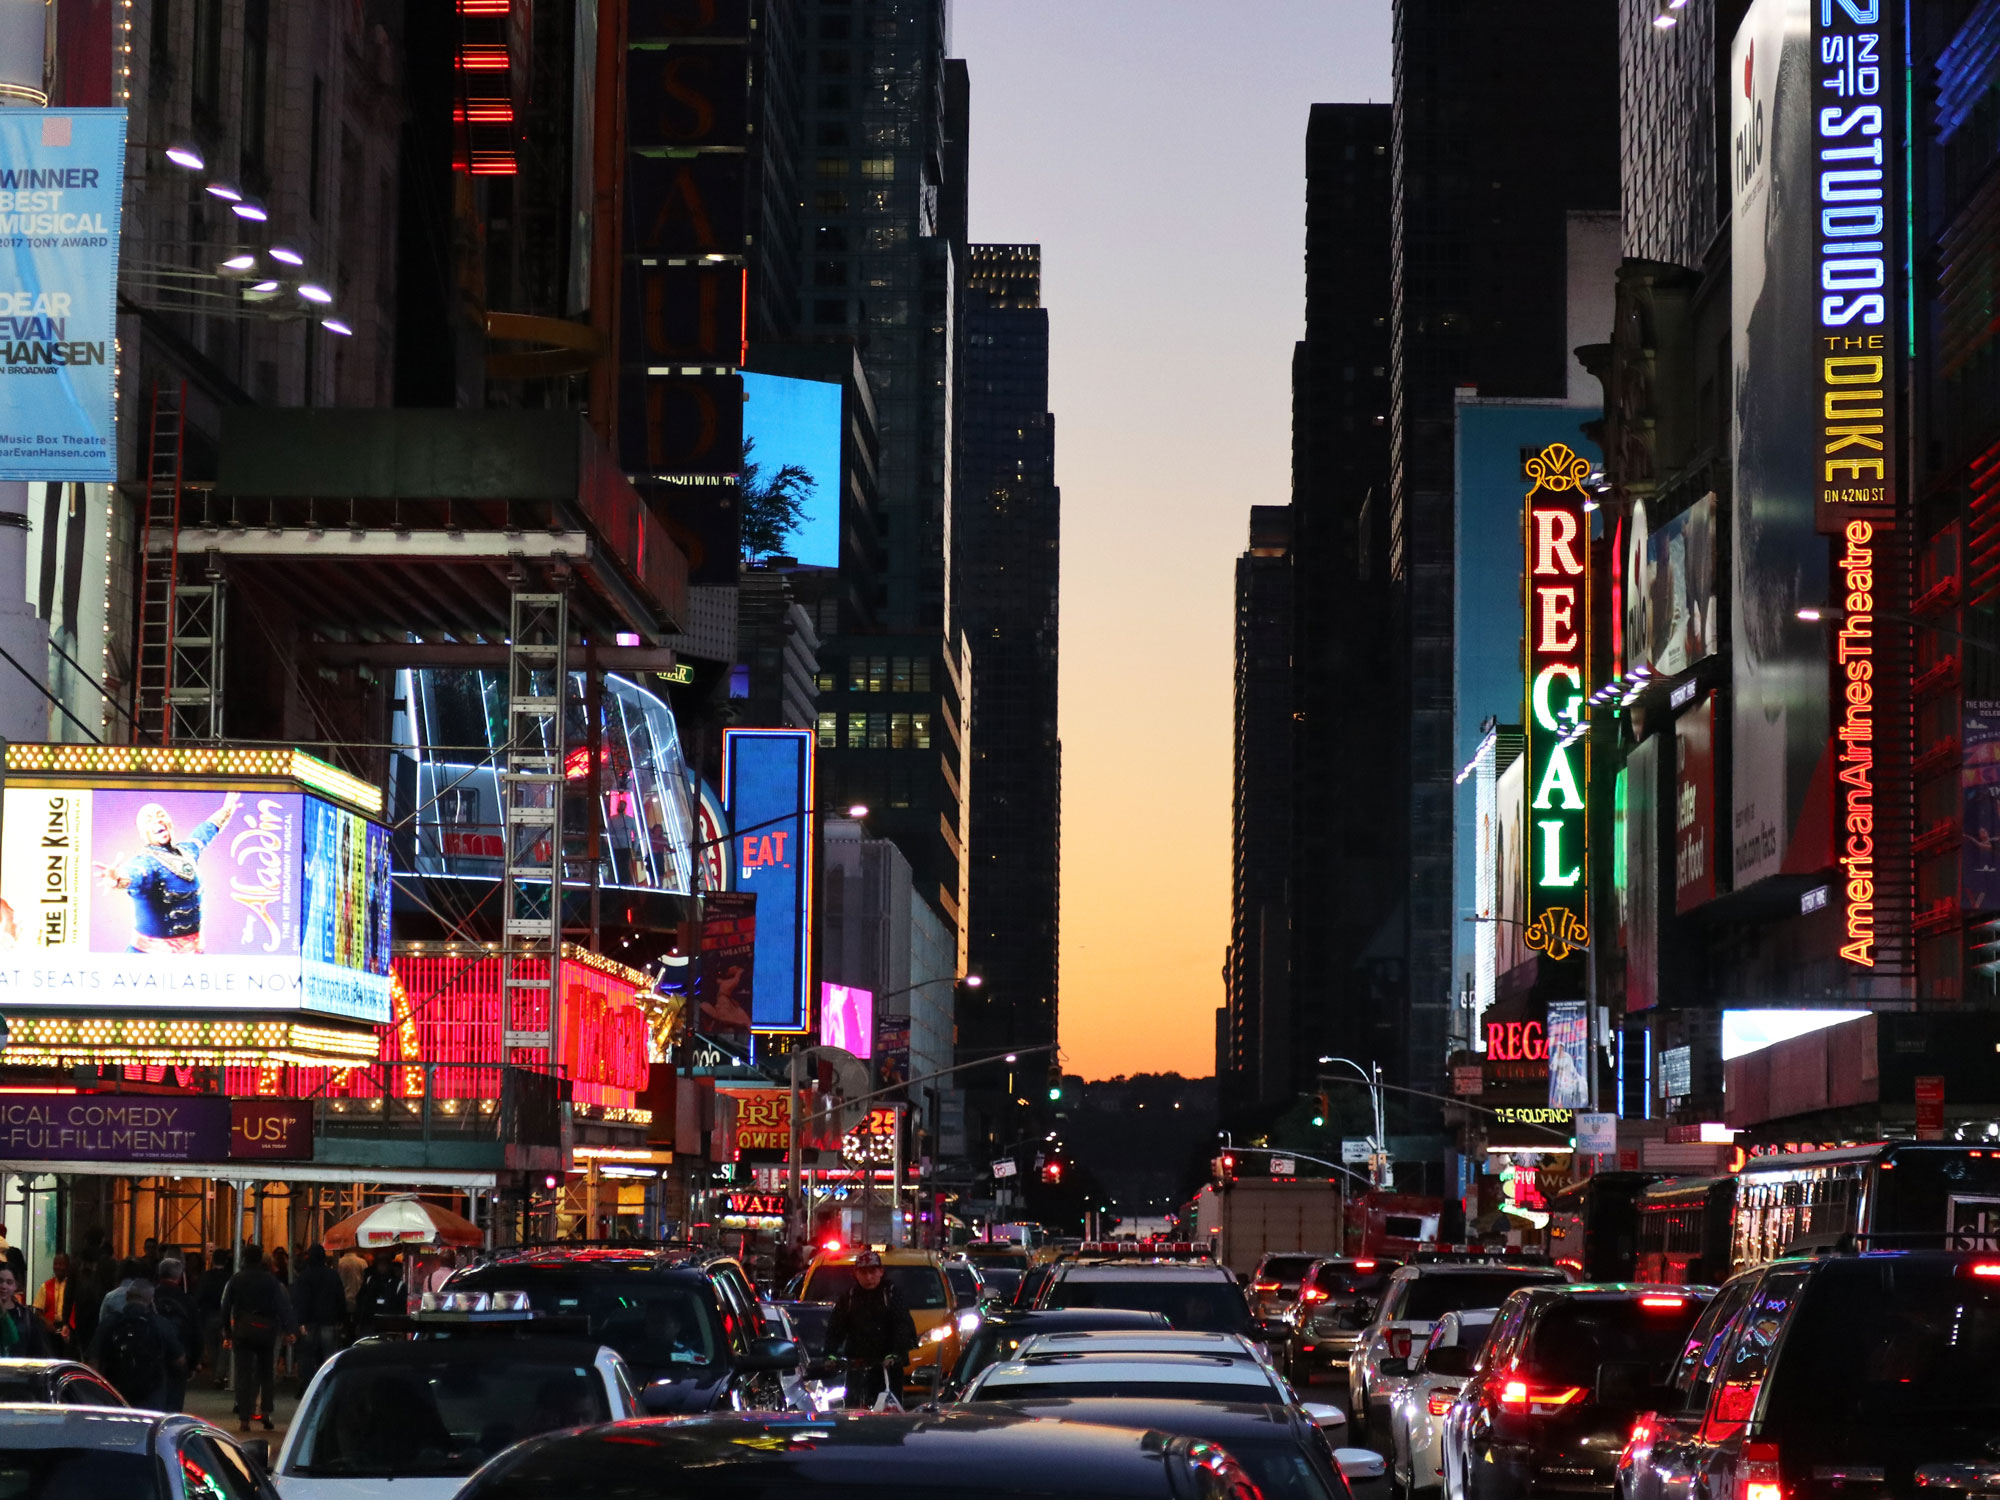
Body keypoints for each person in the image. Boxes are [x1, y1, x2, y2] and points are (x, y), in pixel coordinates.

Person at [92, 790, 242, 954]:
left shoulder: (187, 851)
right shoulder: (146, 863)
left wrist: (226, 810)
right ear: (143, 834)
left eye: (160, 814)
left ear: (170, 822)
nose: (157, 819)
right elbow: (134, 874)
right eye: (149, 820)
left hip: (192, 957)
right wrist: (116, 879)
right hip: (149, 960)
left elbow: (205, 832)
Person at [824, 1251, 917, 1408]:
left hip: (887, 1366)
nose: (868, 1278)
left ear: (881, 1271)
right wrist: (830, 1355)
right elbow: (835, 1328)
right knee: (852, 1408)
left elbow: (902, 1325)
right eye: (863, 1272)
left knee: (889, 1409)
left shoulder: (891, 1294)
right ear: (855, 1273)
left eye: (872, 1272)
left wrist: (895, 1354)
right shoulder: (849, 1297)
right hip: (857, 1364)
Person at [221, 1245, 295, 1433]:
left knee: (243, 1374)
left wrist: (227, 1331)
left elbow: (225, 1304)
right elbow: (282, 1306)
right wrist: (290, 1329)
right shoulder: (271, 1281)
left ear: (244, 1258)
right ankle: (266, 1412)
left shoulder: (236, 1279)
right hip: (266, 1331)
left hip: (243, 1330)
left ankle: (244, 1418)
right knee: (266, 1373)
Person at [93, 1281, 185, 1410]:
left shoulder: (110, 1322)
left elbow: (94, 1360)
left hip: (115, 1391)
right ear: (151, 1299)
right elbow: (179, 1360)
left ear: (127, 1296)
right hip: (152, 1394)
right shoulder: (159, 1324)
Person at [292, 1245, 348, 1390]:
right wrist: (341, 1318)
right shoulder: (332, 1275)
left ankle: (307, 1385)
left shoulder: (304, 1276)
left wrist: (300, 1321)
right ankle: (328, 1383)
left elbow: (300, 1300)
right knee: (328, 1355)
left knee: (307, 1354)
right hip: (328, 1320)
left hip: (309, 1321)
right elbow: (339, 1298)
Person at [152, 1260, 202, 1412]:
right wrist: (194, 1362)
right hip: (179, 1356)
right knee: (174, 1401)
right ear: (179, 1277)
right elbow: (196, 1331)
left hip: (153, 1355)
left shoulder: (151, 1296)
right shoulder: (186, 1300)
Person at [194, 1248, 230, 1388]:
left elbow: (198, 1296)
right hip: (224, 1314)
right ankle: (220, 1375)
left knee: (212, 1346)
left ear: (213, 1260)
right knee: (224, 1346)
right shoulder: (230, 1277)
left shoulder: (206, 1277)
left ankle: (216, 1373)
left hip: (208, 1315)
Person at [0, 1265, 54, 1357]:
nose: (3, 1286)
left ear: (15, 1286)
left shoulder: (26, 1316)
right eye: (0, 1281)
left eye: (9, 1282)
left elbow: (37, 1350)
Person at [36, 1253, 71, 1339]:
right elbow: (38, 1312)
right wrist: (46, 1322)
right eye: (55, 1264)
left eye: (61, 1264)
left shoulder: (72, 1286)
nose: (57, 1267)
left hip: (68, 1330)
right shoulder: (45, 1286)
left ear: (67, 1266)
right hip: (50, 1331)